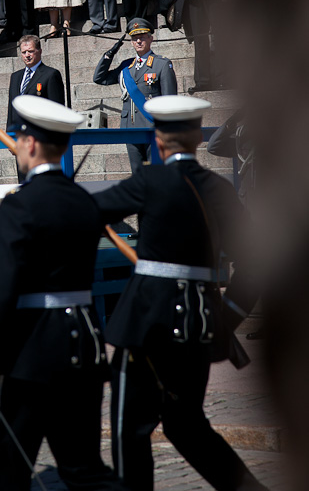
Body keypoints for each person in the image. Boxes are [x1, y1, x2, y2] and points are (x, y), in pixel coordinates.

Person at [93, 95, 266, 491]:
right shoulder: (220, 189)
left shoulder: (151, 180)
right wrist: (227, 317)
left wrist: (49, 188)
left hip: (147, 328)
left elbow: (92, 212)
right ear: (194, 137)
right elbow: (254, 266)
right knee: (187, 426)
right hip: (200, 328)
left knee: (129, 431)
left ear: (160, 138)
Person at [0, 95, 125, 491]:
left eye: (20, 138)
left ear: (31, 144)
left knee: (7, 473)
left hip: (29, 354)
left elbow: (2, 290)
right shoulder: (84, 202)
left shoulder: (19, 206)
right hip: (83, 349)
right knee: (84, 470)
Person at [93, 17, 177, 172]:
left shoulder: (162, 64)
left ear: (151, 38)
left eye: (142, 37)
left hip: (153, 129)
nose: (138, 41)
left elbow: (170, 101)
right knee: (137, 174)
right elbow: (99, 78)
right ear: (131, 42)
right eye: (134, 38)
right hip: (130, 128)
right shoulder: (127, 66)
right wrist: (109, 55)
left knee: (156, 174)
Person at [6, 35, 64, 132]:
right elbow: (11, 110)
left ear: (40, 51)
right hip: (19, 135)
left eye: (31, 51)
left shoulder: (50, 75)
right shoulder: (15, 77)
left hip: (41, 135)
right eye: (24, 52)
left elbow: (57, 109)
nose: (27, 55)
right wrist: (9, 136)